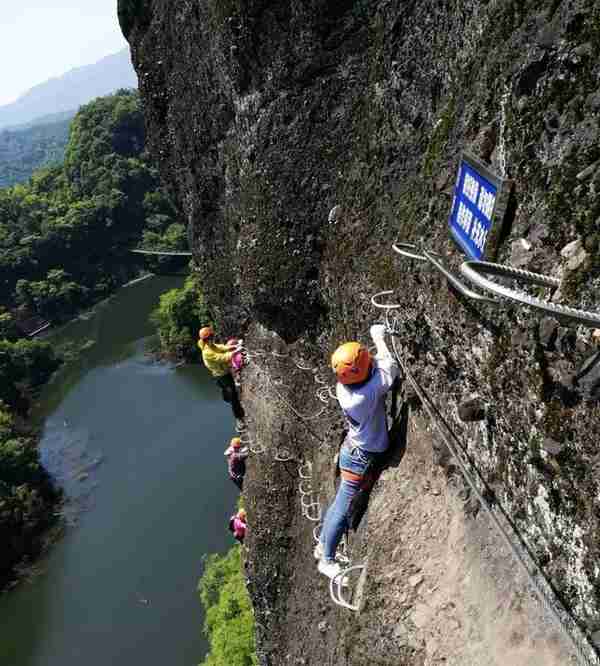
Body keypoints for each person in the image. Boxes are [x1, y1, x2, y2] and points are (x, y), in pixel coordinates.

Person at [315, 324, 399, 582]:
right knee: (343, 505)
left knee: (339, 501)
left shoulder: (346, 388)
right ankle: (327, 559)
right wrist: (378, 338)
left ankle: (322, 546)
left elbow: (372, 370)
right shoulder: (367, 393)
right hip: (361, 456)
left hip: (352, 450)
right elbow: (390, 366)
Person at [198, 326, 245, 420]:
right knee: (234, 396)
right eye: (212, 337)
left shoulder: (210, 345)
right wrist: (236, 352)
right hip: (221, 375)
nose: (213, 338)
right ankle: (239, 416)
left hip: (221, 373)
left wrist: (233, 347)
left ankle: (225, 396)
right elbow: (221, 357)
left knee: (226, 389)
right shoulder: (207, 352)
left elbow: (220, 347)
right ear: (207, 339)